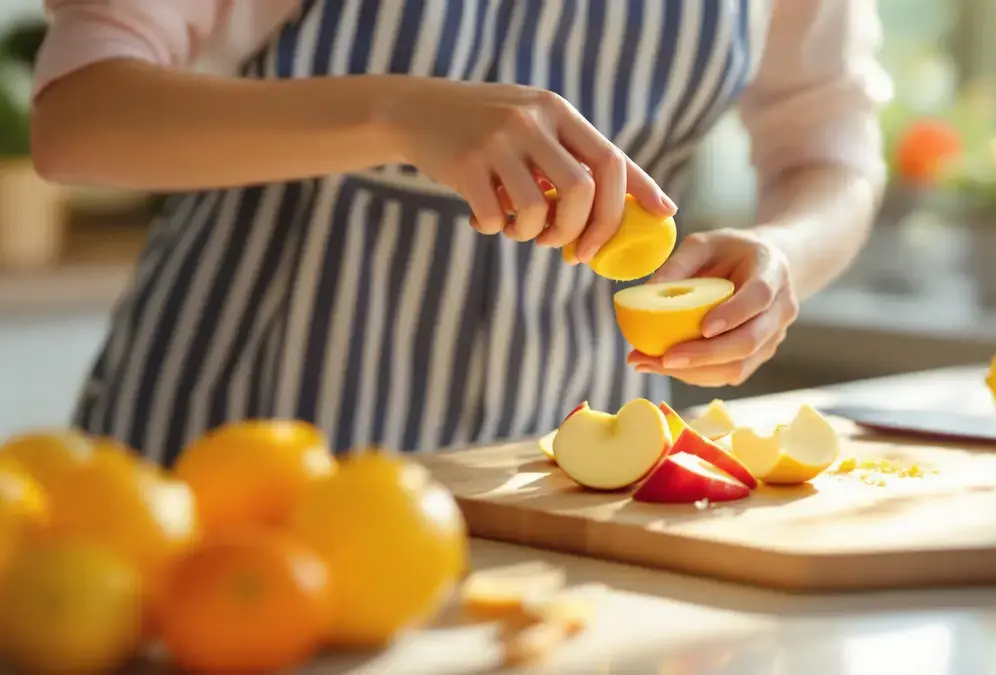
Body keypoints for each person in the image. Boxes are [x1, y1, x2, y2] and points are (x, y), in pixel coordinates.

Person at [31, 0, 891, 464]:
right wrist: (394, 110)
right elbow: (79, 116)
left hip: (565, 452)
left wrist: (783, 255)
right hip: (237, 436)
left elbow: (833, 154)